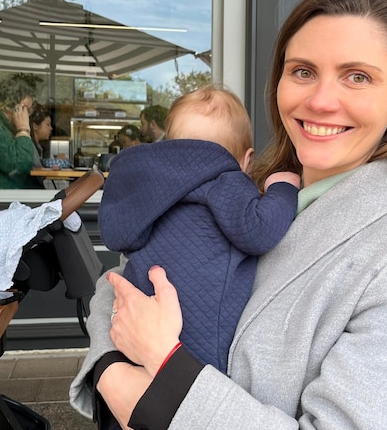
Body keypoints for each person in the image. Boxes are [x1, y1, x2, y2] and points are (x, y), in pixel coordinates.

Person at [70, 0, 387, 429]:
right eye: (302, 71)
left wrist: (163, 374)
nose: (319, 101)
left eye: (357, 76)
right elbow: (124, 279)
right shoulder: (242, 191)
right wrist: (108, 369)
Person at [98, 84, 299, 380]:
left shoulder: (147, 190)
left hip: (136, 328)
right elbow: (259, 231)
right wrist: (283, 188)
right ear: (247, 160)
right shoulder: (226, 180)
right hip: (203, 347)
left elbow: (121, 239)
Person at [0, 77, 41, 189]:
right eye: (24, 108)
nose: (27, 114)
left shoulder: (6, 127)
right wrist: (23, 129)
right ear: (8, 105)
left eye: (29, 110)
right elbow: (20, 165)